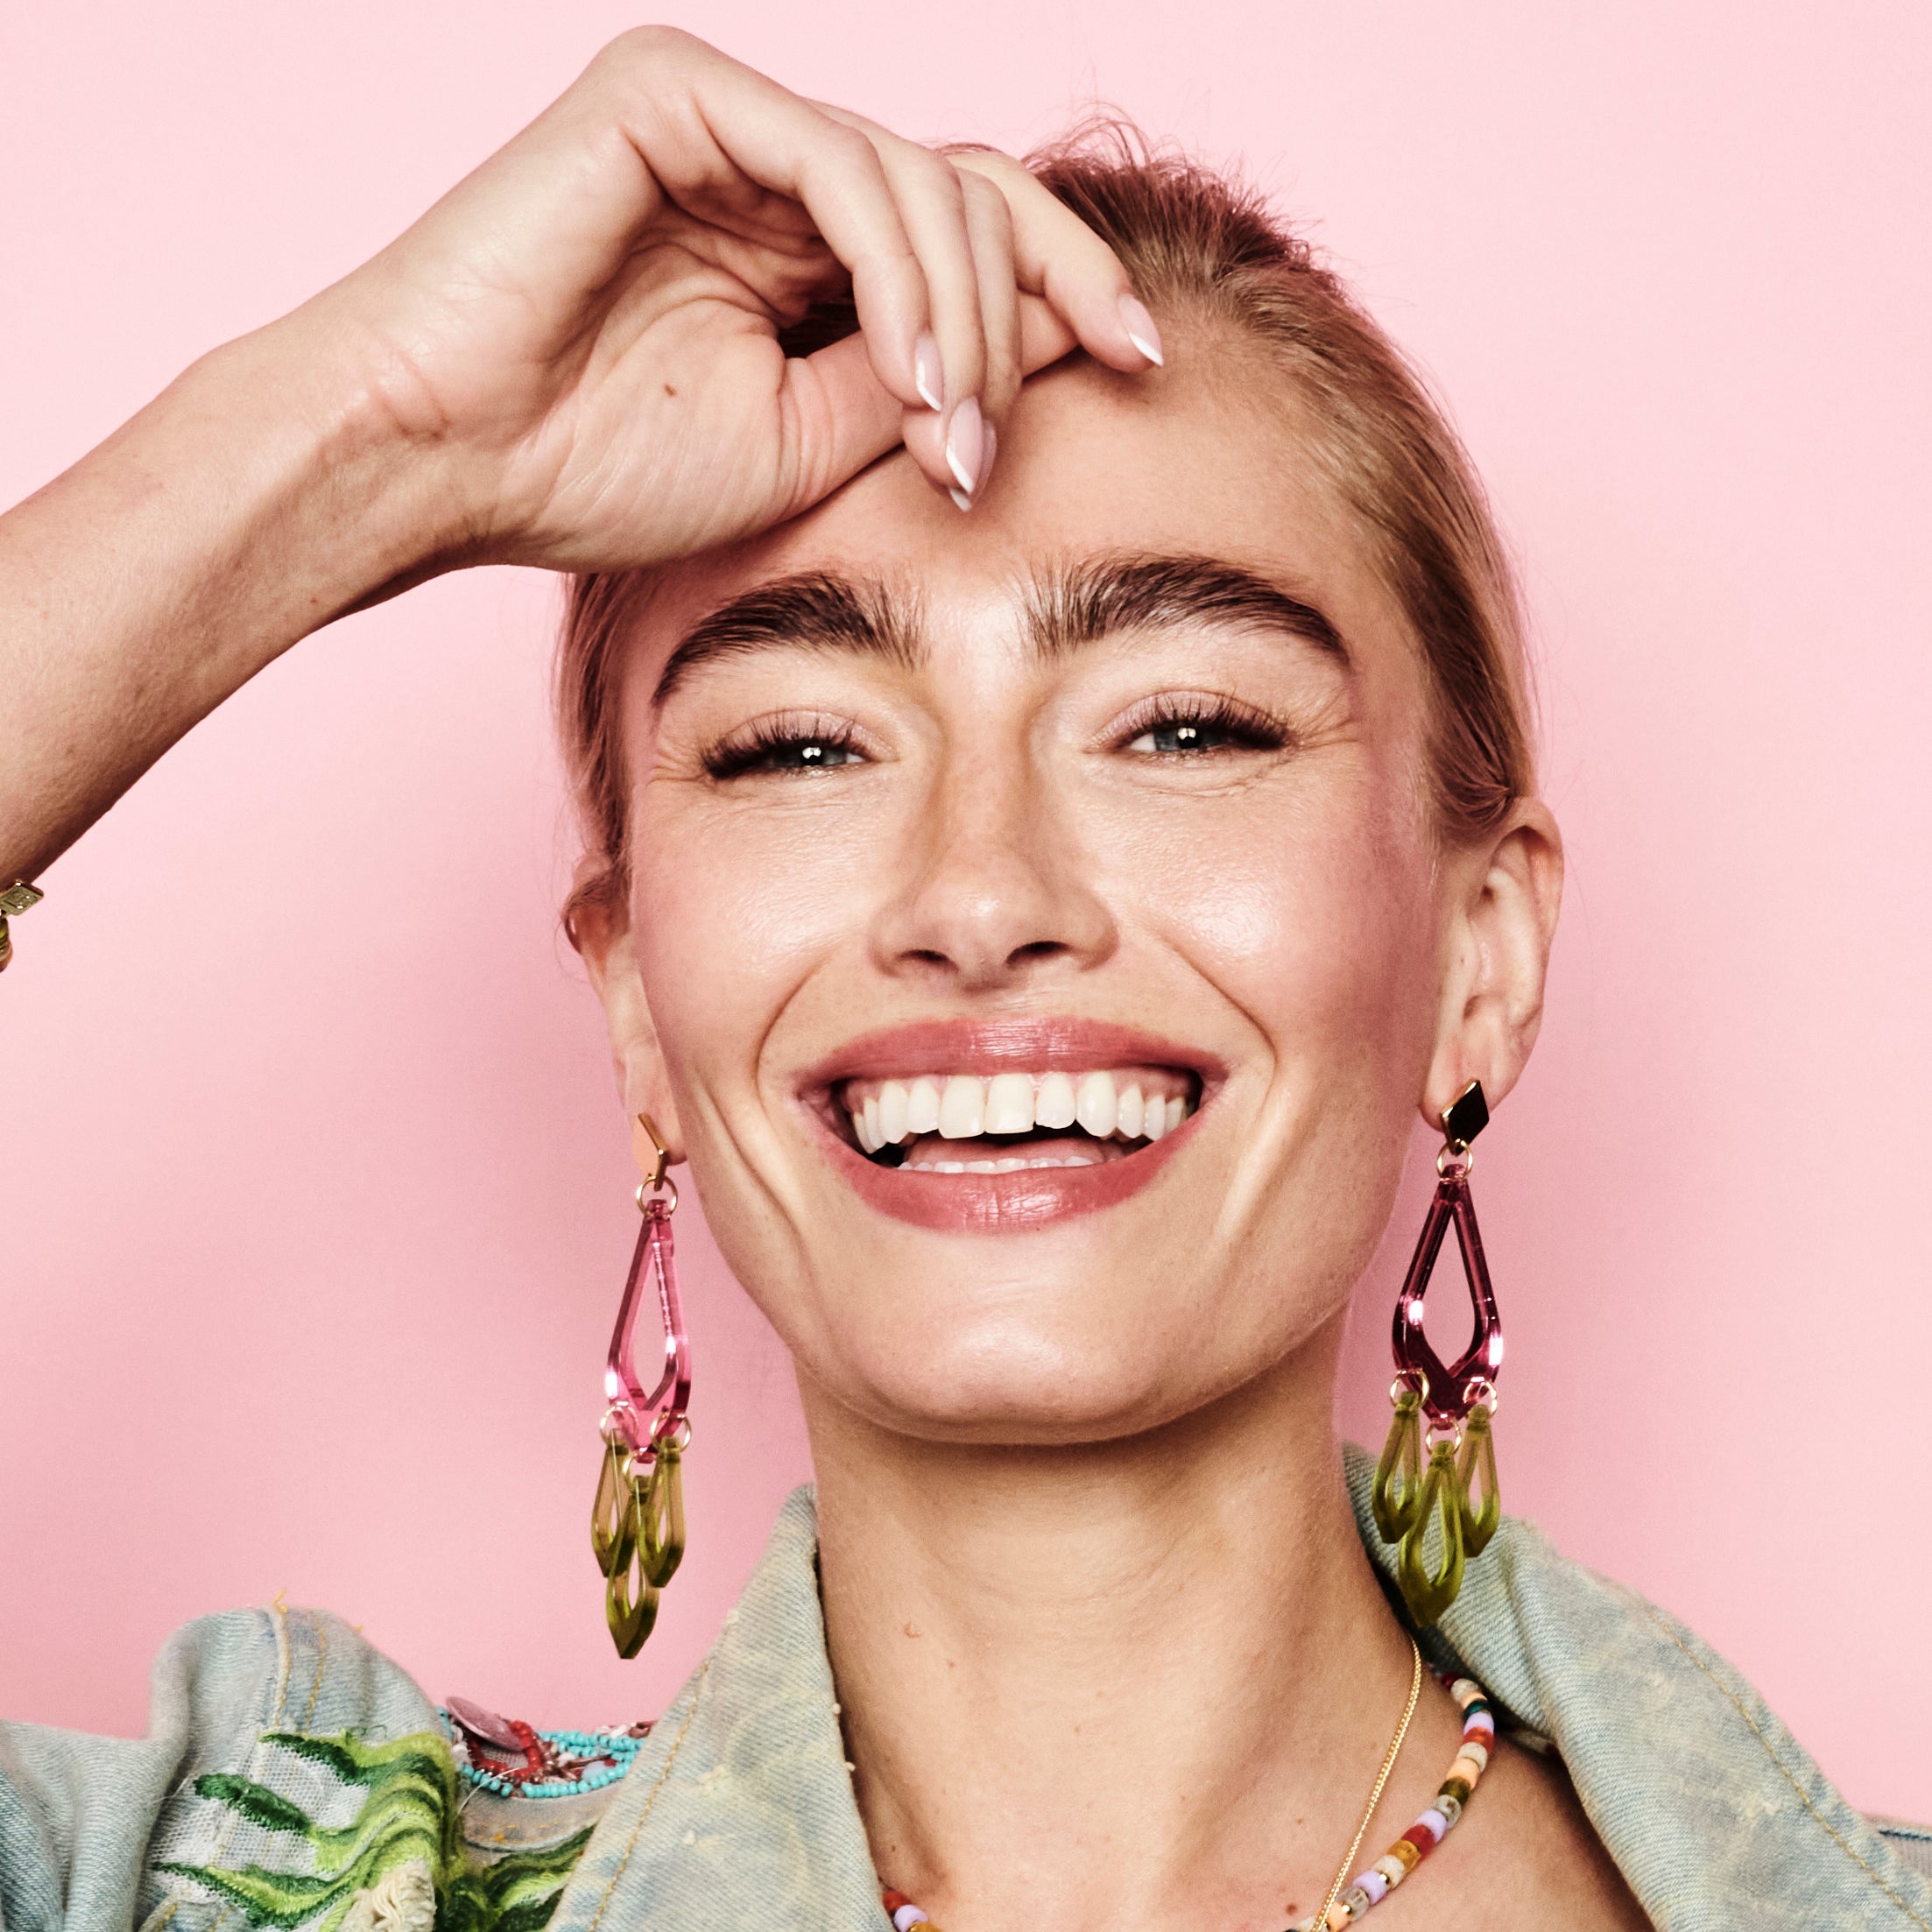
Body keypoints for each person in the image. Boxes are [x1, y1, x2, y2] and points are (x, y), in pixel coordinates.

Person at [1, 27, 1926, 1932]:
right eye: (797, 745)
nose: (977, 890)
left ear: (1479, 956)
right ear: (635, 1011)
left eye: (1181, 726)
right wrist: (365, 435)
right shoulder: (250, 1877)